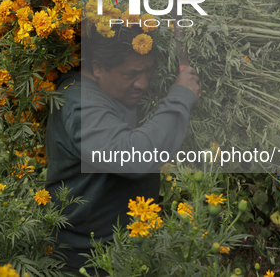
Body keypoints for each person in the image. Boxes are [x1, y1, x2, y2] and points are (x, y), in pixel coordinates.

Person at [45, 26, 200, 275]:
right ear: (97, 68)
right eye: (132, 74)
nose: (143, 83)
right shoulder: (80, 103)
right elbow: (132, 157)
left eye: (148, 70)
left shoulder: (112, 89)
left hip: (121, 246)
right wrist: (180, 97)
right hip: (87, 258)